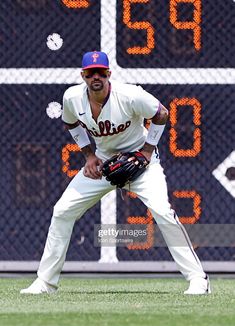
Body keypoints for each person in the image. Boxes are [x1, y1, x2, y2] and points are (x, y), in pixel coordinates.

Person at [20, 51, 211, 295]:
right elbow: (70, 123)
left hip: (141, 163)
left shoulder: (130, 95)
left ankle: (198, 279)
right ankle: (45, 283)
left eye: (101, 72)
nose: (96, 77)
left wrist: (146, 151)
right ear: (83, 76)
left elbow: (161, 114)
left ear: (109, 74)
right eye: (91, 73)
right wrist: (89, 155)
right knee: (62, 210)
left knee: (163, 212)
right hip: (103, 163)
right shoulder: (72, 98)